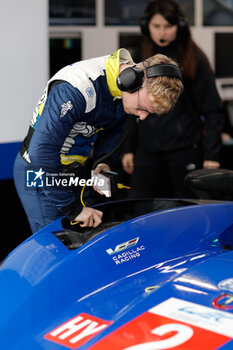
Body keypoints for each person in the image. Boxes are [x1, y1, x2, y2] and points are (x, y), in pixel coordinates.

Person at [13, 48, 183, 233]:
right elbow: (41, 152)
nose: (142, 117)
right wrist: (74, 210)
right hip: (40, 172)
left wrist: (103, 162)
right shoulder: (75, 87)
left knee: (89, 240)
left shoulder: (125, 92)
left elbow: (113, 132)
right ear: (131, 81)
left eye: (149, 113)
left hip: (77, 171)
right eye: (142, 108)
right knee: (57, 247)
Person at [122, 0, 225, 199]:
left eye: (168, 26)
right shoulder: (136, 57)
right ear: (146, 27)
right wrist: (127, 149)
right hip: (147, 150)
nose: (162, 32)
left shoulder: (193, 59)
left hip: (184, 149)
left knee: (187, 209)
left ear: (180, 27)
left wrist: (212, 156)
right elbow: (128, 106)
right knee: (139, 208)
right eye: (156, 26)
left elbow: (213, 110)